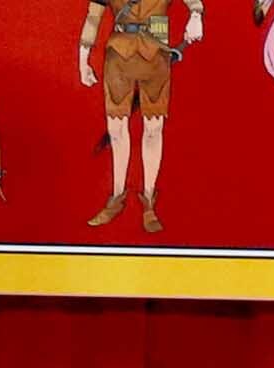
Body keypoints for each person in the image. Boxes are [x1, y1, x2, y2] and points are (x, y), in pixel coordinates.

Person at [78, 0, 197, 229]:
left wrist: (196, 13)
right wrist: (83, 59)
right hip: (119, 51)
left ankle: (149, 199)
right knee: (117, 130)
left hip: (157, 47)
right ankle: (116, 197)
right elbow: (94, 16)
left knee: (153, 129)